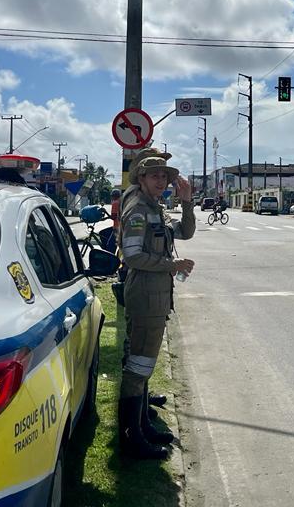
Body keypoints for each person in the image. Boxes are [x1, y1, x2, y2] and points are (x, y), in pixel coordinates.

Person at [117, 152, 196, 459]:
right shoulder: (138, 209)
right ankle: (132, 438)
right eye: (154, 176)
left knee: (144, 365)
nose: (161, 181)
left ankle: (141, 427)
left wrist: (187, 201)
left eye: (164, 176)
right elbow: (133, 256)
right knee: (138, 368)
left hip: (156, 295)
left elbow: (185, 232)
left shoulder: (155, 208)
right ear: (141, 179)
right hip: (146, 295)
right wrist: (171, 264)